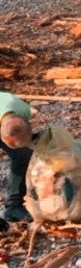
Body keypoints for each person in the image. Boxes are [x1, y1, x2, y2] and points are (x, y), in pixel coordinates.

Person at [0, 92, 34, 226]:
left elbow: (24, 130)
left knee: (23, 154)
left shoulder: (24, 110)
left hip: (6, 119)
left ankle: (13, 207)